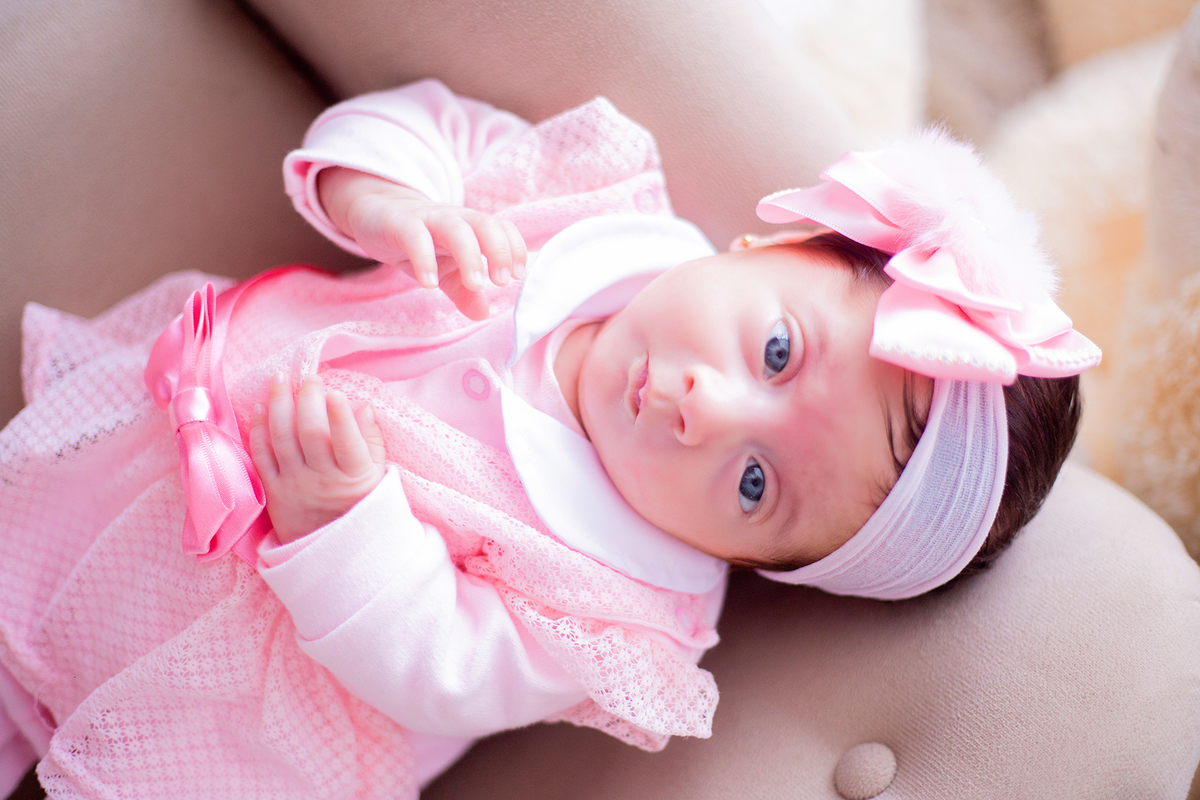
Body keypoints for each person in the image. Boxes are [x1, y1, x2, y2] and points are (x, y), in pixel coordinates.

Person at [0, 80, 1097, 798]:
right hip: (127, 473)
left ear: (755, 563)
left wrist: (345, 524)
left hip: (240, 698)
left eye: (755, 483)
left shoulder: (623, 605)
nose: (703, 411)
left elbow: (450, 669)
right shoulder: (588, 205)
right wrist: (394, 201)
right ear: (773, 242)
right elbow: (431, 127)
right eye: (774, 352)